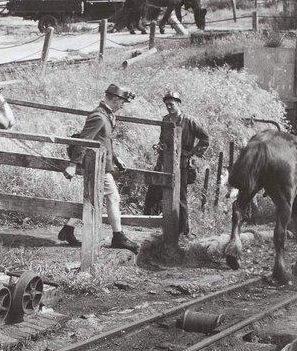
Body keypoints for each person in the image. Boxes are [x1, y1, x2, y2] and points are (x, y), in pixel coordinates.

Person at [58, 84, 139, 254]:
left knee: (93, 198)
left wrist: (116, 158)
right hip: (95, 165)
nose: (122, 106)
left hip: (103, 163)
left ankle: (68, 229)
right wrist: (72, 165)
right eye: (122, 102)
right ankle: (118, 236)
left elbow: (104, 140)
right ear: (116, 99)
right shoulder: (98, 116)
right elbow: (85, 140)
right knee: (113, 197)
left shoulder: (108, 115)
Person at [142, 91, 209, 236]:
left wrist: (192, 153)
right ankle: (159, 227)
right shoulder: (165, 120)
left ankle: (183, 231)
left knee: (180, 197)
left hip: (182, 164)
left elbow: (205, 139)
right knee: (156, 192)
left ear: (178, 104)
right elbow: (162, 140)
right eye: (166, 104)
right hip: (164, 162)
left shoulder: (190, 121)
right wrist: (159, 146)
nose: (169, 107)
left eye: (171, 104)